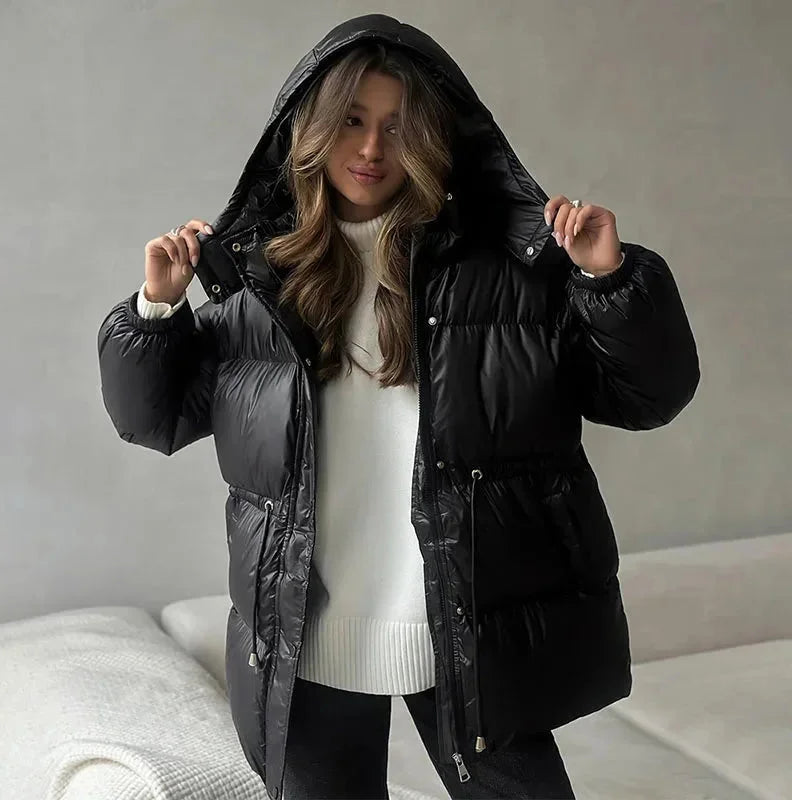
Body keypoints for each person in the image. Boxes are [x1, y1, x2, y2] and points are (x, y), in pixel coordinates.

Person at [97, 13, 700, 800]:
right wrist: (156, 308)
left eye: (397, 125)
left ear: (432, 137)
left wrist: (606, 280)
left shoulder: (507, 273)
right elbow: (152, 418)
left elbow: (646, 395)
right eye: (352, 121)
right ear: (311, 131)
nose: (373, 148)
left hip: (465, 627)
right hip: (307, 634)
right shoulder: (260, 284)